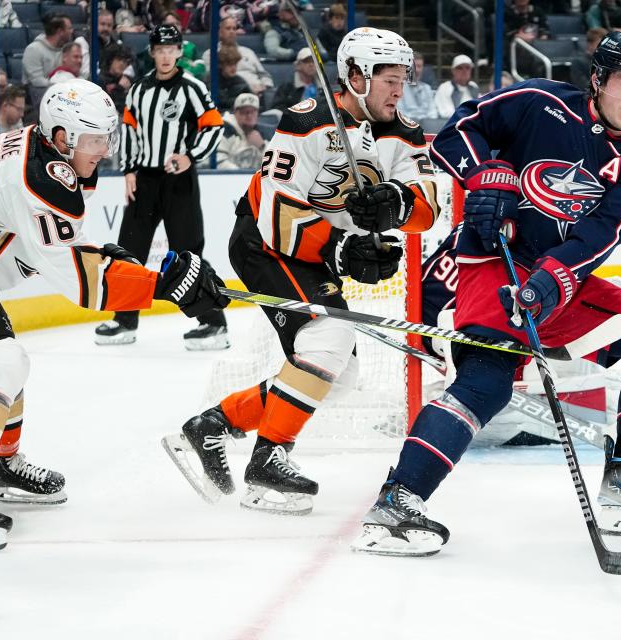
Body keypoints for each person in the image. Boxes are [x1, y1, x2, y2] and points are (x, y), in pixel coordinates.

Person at [349, 32, 621, 557]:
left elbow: (599, 236)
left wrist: (549, 282)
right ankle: (397, 504)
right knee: (487, 381)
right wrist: (487, 176)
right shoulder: (540, 103)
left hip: (556, 282)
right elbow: (457, 133)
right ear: (599, 79)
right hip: (491, 262)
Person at [163, 27, 442, 513]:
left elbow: (429, 206)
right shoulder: (306, 122)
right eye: (389, 80)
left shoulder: (405, 132)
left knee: (338, 375)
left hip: (312, 254)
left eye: (404, 79)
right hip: (265, 245)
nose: (400, 90)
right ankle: (269, 459)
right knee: (328, 340)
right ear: (355, 76)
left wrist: (395, 205)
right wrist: (342, 251)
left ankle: (212, 426)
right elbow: (275, 214)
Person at [0, 79, 228, 551]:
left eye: (107, 136)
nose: (105, 148)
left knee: (3, 360)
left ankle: (0, 460)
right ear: (61, 137)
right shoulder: (41, 178)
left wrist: (107, 256)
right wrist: (162, 286)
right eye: (95, 139)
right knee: (1, 360)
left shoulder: (52, 157)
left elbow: (56, 245)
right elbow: (79, 280)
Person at [94, 25, 229, 349]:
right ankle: (124, 321)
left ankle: (214, 325)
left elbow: (214, 126)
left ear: (180, 51)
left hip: (179, 180)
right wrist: (128, 171)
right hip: (145, 180)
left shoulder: (192, 88)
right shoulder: (139, 89)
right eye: (160, 49)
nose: (166, 55)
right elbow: (129, 131)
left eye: (171, 49)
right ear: (152, 52)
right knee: (129, 250)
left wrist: (190, 156)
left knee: (189, 253)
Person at [201, 15, 274, 96]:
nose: (232, 31)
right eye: (228, 28)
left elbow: (264, 75)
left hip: (257, 94)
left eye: (234, 29)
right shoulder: (211, 54)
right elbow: (211, 80)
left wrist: (265, 86)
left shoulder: (248, 52)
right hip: (230, 94)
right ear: (220, 32)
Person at [216, 92, 270, 169]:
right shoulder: (224, 130)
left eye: (253, 111)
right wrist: (241, 175)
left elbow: (274, 166)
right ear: (235, 112)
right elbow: (218, 162)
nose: (249, 115)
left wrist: (262, 147)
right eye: (244, 111)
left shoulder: (260, 132)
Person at [22, 13, 73, 89]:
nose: (72, 31)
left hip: (61, 92)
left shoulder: (67, 49)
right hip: (37, 94)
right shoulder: (33, 49)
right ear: (60, 32)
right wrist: (62, 86)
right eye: (69, 28)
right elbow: (37, 81)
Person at [397, 51, 439, 120]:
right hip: (407, 127)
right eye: (414, 66)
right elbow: (400, 113)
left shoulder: (427, 88)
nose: (417, 70)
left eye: (419, 66)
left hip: (427, 127)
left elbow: (433, 112)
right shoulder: (399, 87)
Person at [216, 45, 254, 111]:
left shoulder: (240, 82)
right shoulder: (211, 80)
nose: (233, 68)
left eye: (235, 64)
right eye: (230, 64)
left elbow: (251, 101)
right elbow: (221, 101)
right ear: (221, 65)